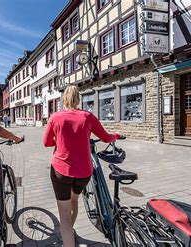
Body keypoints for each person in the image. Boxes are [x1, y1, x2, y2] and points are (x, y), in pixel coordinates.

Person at [43, 85, 119, 247]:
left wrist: (60, 140)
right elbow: (106, 138)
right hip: (84, 172)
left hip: (60, 170)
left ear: (63, 99)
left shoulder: (55, 117)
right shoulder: (87, 117)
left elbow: (46, 142)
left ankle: (68, 239)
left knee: (63, 215)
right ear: (78, 99)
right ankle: (70, 231)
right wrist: (116, 136)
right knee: (74, 200)